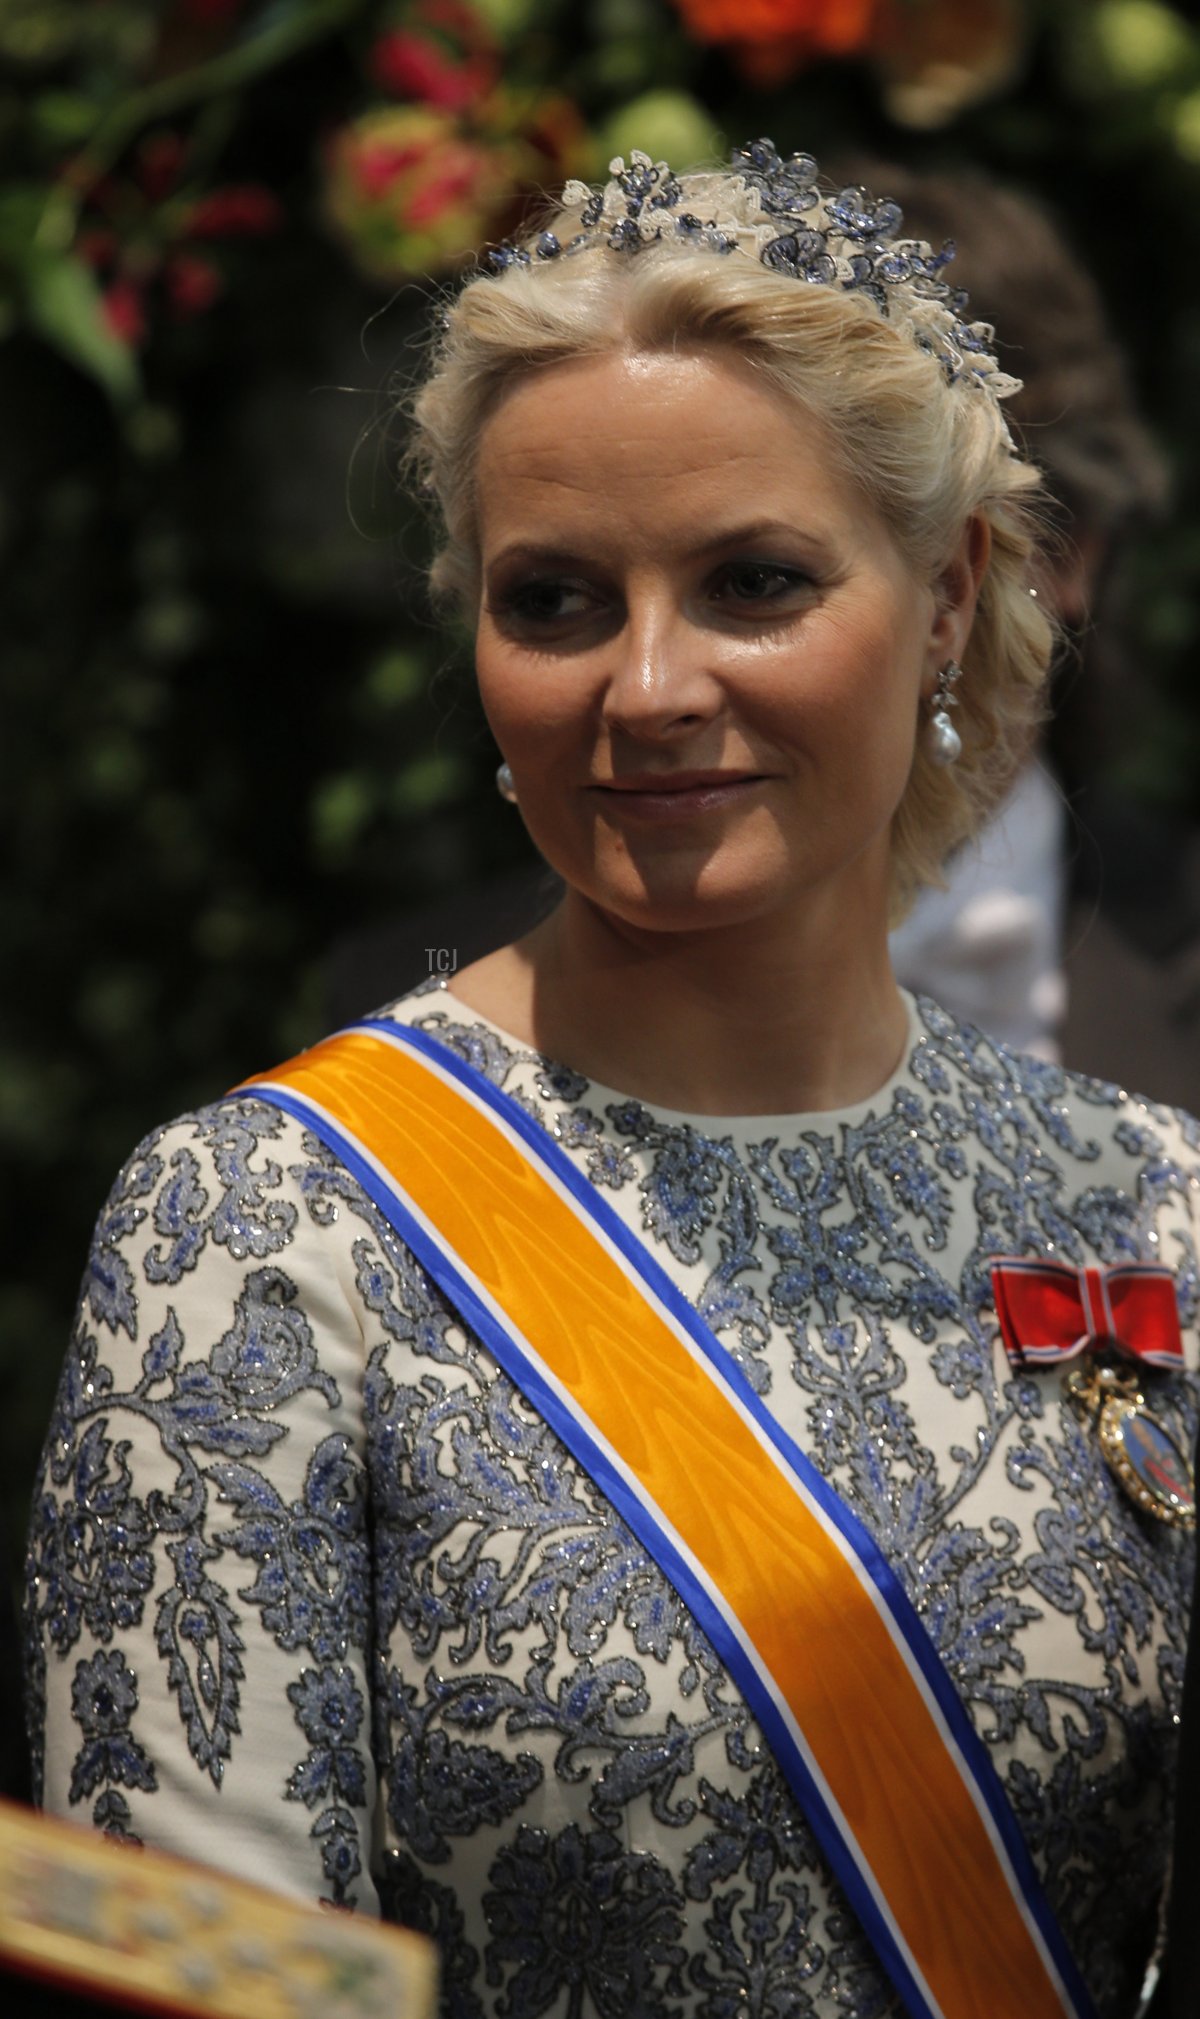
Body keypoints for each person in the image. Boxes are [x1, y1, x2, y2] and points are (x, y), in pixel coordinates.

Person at [25, 141, 1199, 2019]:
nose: (647, 688)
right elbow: (209, 1984)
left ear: (952, 594)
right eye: (557, 601)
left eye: (753, 582)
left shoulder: (1156, 1207)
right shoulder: (258, 1225)